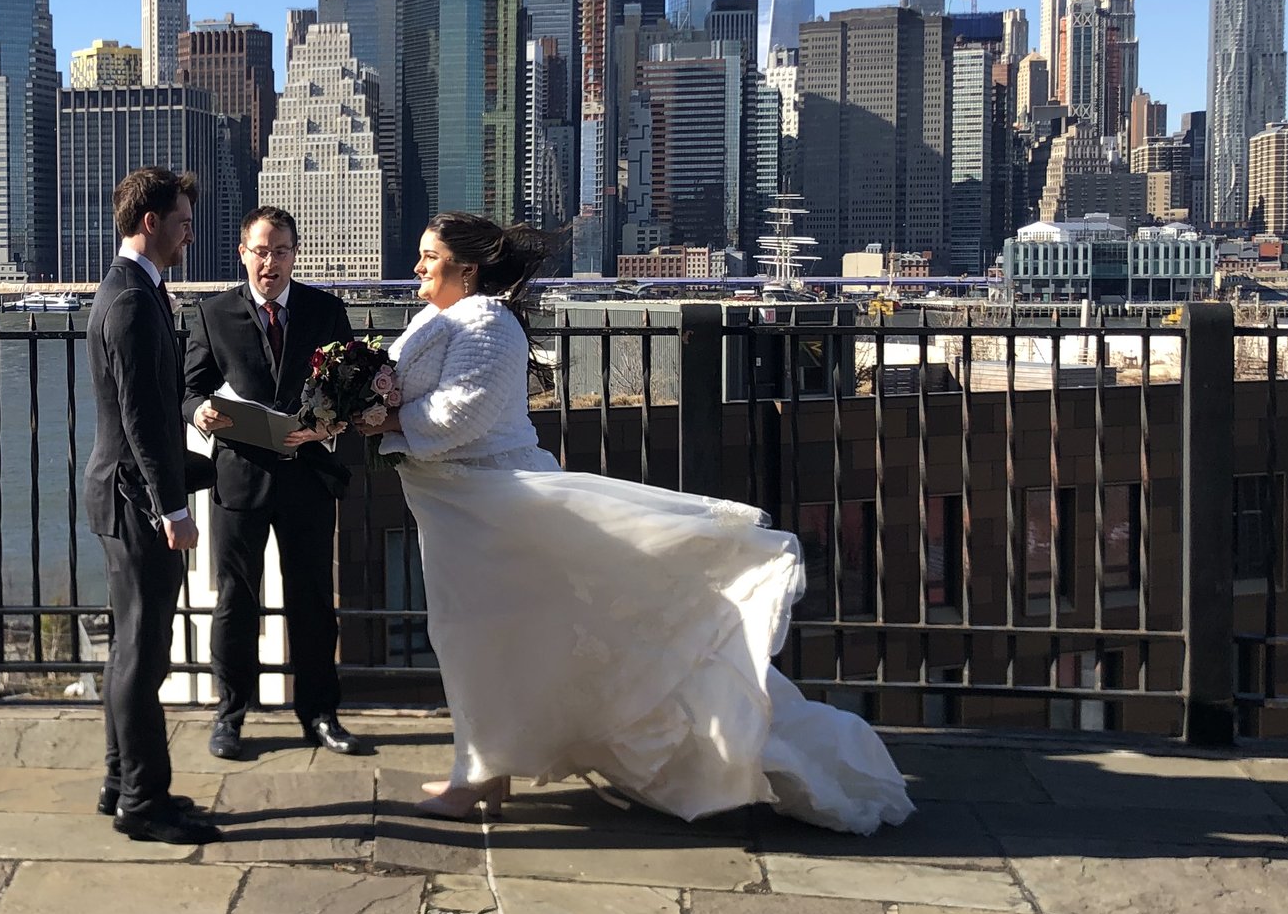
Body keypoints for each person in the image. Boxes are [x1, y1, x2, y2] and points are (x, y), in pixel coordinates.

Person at [357, 212, 915, 835]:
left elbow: (462, 416)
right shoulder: (442, 319)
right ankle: (484, 768)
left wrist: (381, 422)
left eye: (429, 256)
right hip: (460, 507)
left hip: (495, 504)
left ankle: (478, 778)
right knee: (480, 638)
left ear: (468, 269)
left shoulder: (487, 322)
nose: (417, 267)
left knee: (484, 637)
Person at [185, 206, 373, 761]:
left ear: (295, 255)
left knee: (313, 602)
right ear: (242, 252)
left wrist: (326, 426)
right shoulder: (213, 313)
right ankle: (230, 715)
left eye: (282, 251)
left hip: (308, 476)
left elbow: (352, 392)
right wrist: (200, 414)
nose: (271, 262)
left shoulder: (325, 310)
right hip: (240, 478)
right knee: (235, 603)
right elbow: (189, 388)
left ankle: (319, 714)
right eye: (261, 250)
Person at [82, 166, 219, 845]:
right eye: (183, 222)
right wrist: (174, 509)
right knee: (144, 654)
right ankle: (144, 800)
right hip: (137, 501)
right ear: (150, 223)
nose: (189, 234)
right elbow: (142, 418)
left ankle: (121, 781)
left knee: (129, 649)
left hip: (121, 494)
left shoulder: (133, 289)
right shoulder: (134, 301)